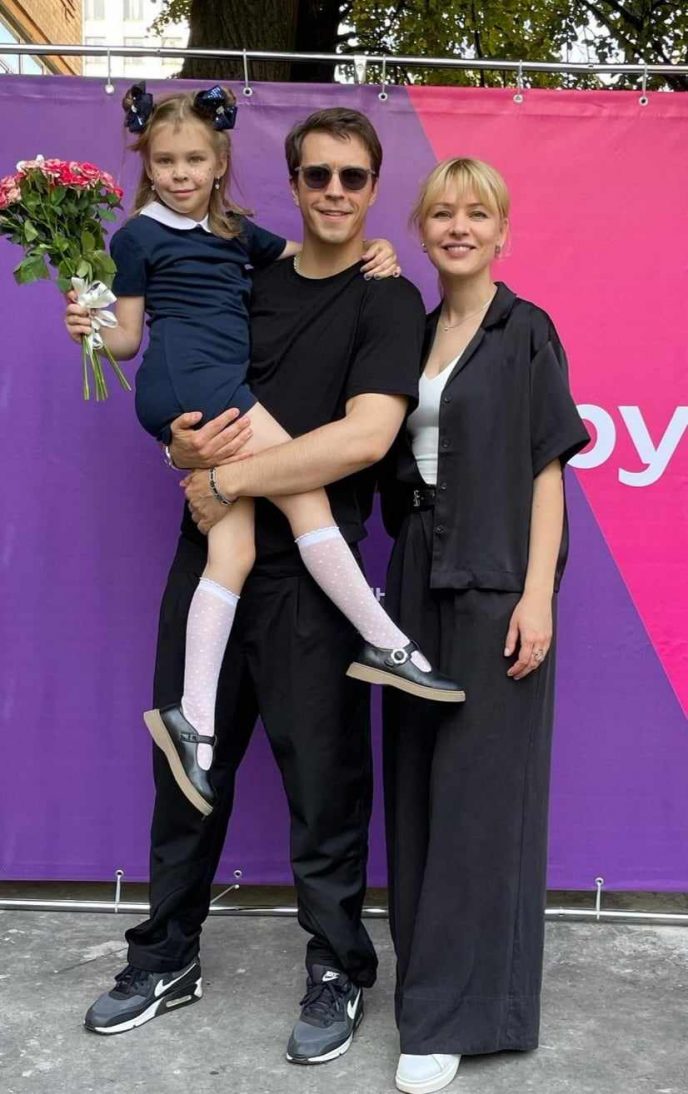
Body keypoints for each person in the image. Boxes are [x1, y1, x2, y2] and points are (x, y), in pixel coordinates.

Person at [68, 106, 430, 1063]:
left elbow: (364, 439)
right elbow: (183, 391)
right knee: (185, 765)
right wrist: (181, 450)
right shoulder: (242, 269)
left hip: (314, 573)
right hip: (214, 554)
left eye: (353, 178)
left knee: (324, 782)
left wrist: (228, 478)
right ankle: (165, 956)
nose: (335, 193)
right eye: (318, 176)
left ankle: (337, 967)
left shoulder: (388, 295)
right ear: (294, 182)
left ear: (373, 185)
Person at [66, 85, 463, 819]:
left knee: (235, 552)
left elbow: (304, 257)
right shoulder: (137, 239)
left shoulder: (237, 238)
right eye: (165, 162)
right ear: (147, 166)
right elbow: (124, 339)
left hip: (209, 406)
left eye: (194, 160)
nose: (180, 173)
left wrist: (377, 250)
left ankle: (193, 719)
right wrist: (88, 325)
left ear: (220, 163)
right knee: (305, 493)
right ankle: (384, 643)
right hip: (195, 388)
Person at [378, 158, 591, 1094]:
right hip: (413, 578)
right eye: (442, 213)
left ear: (502, 232)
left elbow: (548, 473)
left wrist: (538, 595)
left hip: (498, 586)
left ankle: (454, 1019)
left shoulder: (526, 330)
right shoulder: (413, 333)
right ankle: (431, 990)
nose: (459, 227)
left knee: (476, 803)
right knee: (417, 792)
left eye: (477, 214)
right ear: (422, 229)